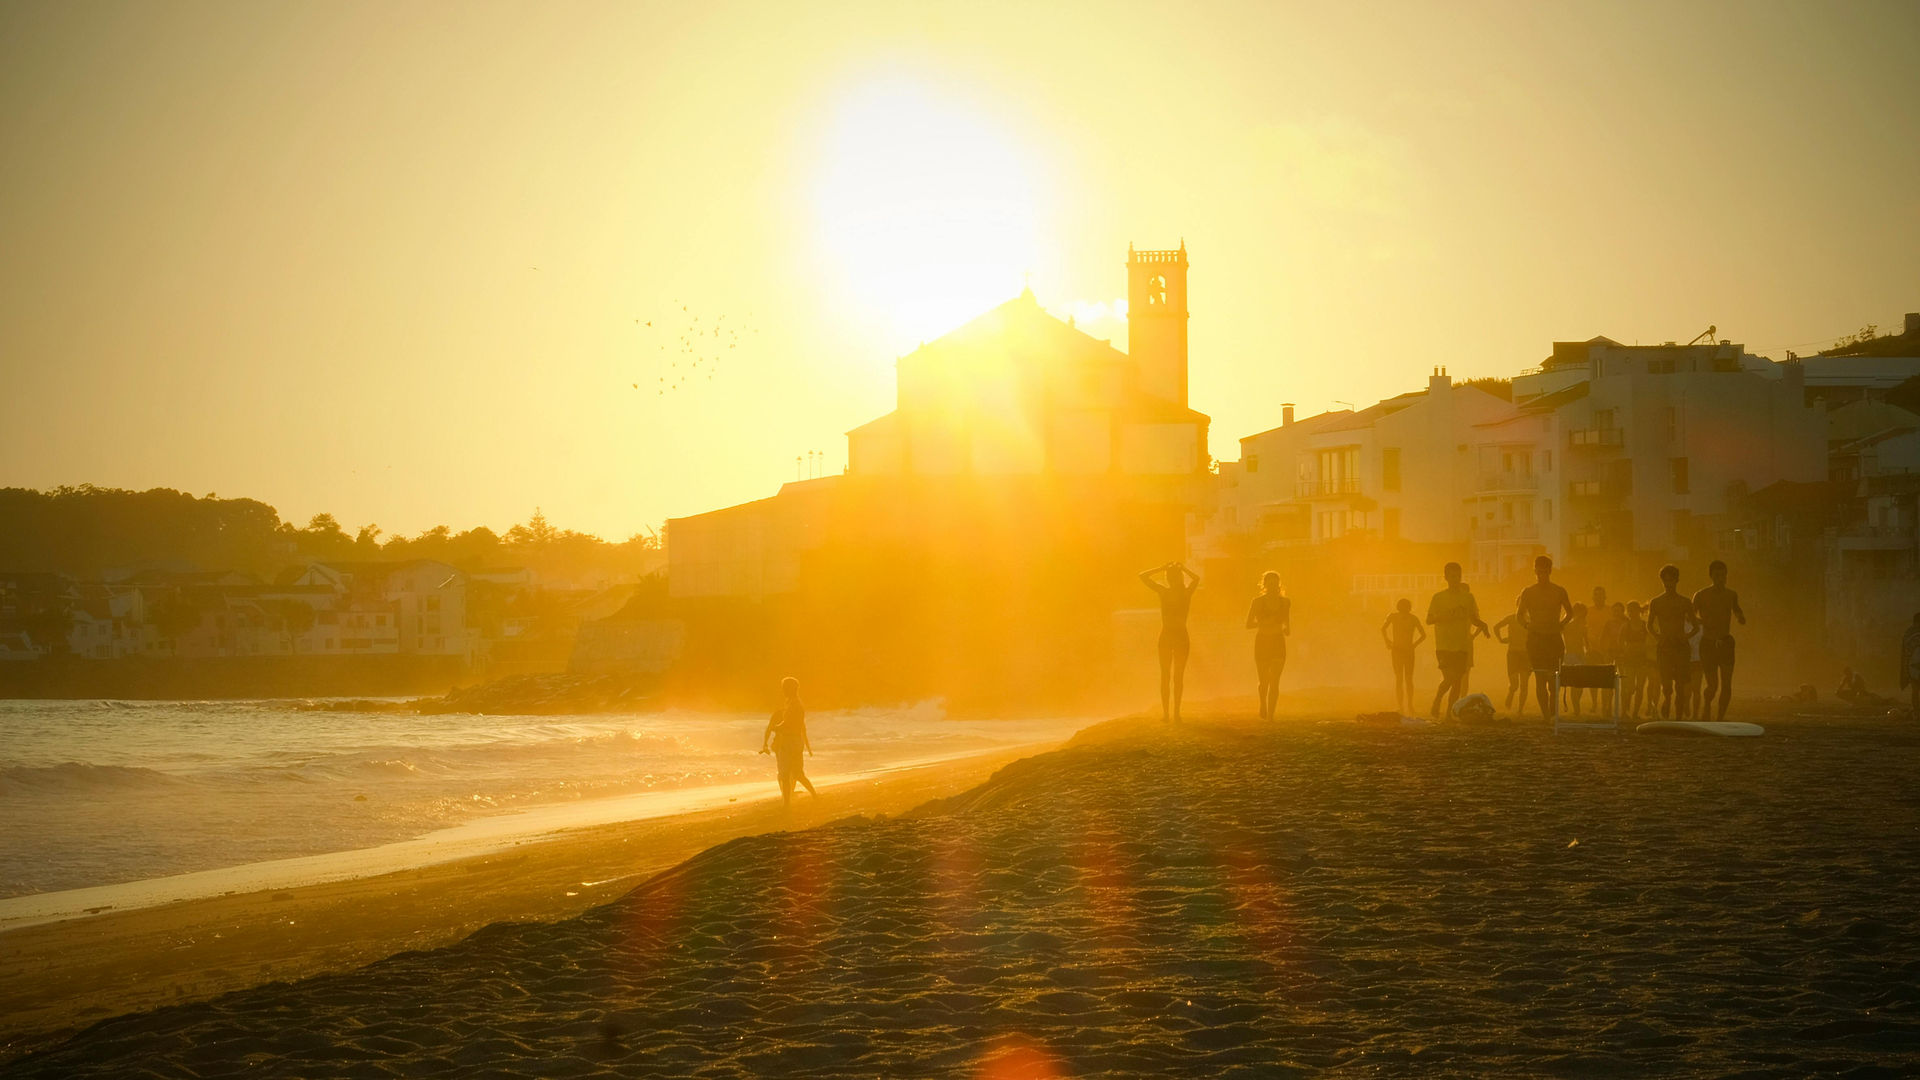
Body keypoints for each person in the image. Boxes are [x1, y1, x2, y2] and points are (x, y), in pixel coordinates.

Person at [1426, 562, 1488, 719]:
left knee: (1457, 682)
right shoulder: (1438, 597)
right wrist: (1446, 616)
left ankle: (1449, 713)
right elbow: (1429, 620)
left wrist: (1483, 625)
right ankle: (1437, 700)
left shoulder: (1468, 597)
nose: (1456, 579)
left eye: (1458, 576)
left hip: (1462, 645)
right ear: (1446, 577)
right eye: (1453, 576)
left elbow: (1473, 618)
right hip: (1444, 645)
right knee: (1449, 678)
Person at [1142, 561, 1200, 722]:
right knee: (1170, 676)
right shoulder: (1177, 593)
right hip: (1172, 636)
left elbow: (1143, 577)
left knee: (1172, 676)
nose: (1171, 580)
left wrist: (1166, 568)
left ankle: (1172, 713)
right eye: (1170, 577)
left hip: (1174, 635)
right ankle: (1170, 713)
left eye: (1172, 577)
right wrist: (1175, 569)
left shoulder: (1174, 592)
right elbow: (1142, 576)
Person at [1517, 554, 1574, 719]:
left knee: (1554, 679)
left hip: (1554, 639)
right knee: (1540, 677)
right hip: (1536, 640)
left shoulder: (1559, 591)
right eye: (1539, 571)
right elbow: (1519, 615)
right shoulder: (1528, 592)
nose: (1542, 575)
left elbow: (1570, 612)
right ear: (1535, 571)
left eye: (1545, 571)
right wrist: (1527, 625)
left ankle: (1552, 709)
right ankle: (1546, 716)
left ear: (1550, 571)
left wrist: (1561, 624)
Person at [1690, 560, 1746, 722]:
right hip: (1708, 643)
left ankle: (1720, 718)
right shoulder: (1701, 595)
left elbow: (1737, 609)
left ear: (1726, 576)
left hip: (1726, 642)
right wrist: (1702, 622)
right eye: (1717, 576)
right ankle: (1707, 705)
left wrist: (1740, 617)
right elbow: (1690, 616)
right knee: (1712, 685)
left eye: (1723, 575)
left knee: (1726, 684)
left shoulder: (1731, 595)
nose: (1720, 579)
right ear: (1711, 576)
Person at [1647, 564, 1698, 720]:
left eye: (1671, 580)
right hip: (1664, 647)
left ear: (1677, 581)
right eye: (1665, 581)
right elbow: (1649, 625)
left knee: (1681, 684)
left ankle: (1678, 716)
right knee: (1666, 683)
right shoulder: (1656, 602)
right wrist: (1658, 637)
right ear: (1662, 581)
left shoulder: (1685, 602)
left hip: (1681, 646)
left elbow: (1696, 627)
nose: (1668, 584)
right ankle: (1667, 700)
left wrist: (1686, 636)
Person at [759, 676, 815, 805]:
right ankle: (814, 796)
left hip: (789, 742)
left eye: (785, 688)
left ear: (791, 688)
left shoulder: (794, 705)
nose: (783, 690)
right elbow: (801, 729)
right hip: (796, 742)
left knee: (784, 774)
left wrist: (775, 728)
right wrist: (808, 748)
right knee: (798, 773)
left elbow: (787, 723)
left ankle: (786, 803)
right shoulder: (794, 703)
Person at [1246, 571, 1291, 720]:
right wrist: (1263, 623)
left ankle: (1271, 715)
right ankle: (1262, 704)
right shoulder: (1257, 602)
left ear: (1279, 584)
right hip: (1262, 642)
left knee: (1275, 681)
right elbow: (1248, 624)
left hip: (1278, 642)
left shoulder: (1285, 602)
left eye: (1275, 583)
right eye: (1269, 583)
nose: (1272, 586)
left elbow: (1287, 625)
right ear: (1264, 585)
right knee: (1264, 681)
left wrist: (1286, 629)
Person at [1381, 598, 1426, 715]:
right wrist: (1387, 642)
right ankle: (1402, 705)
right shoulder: (1394, 616)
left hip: (1405, 651)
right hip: (1398, 650)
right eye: (1403, 606)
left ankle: (1408, 705)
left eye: (1406, 606)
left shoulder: (1411, 618)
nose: (1404, 609)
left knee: (1407, 679)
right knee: (1401, 679)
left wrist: (1413, 645)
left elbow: (1423, 635)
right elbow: (1383, 629)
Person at [1493, 611, 1531, 717]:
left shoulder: (1531, 620)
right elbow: (1496, 627)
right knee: (1514, 684)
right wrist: (1500, 639)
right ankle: (1511, 692)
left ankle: (1520, 710)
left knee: (1524, 684)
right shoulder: (1511, 618)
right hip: (1513, 653)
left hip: (1526, 654)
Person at [1617, 600, 1651, 719]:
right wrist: (1625, 651)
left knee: (1640, 687)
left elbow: (1650, 640)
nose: (1632, 613)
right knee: (1630, 687)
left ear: (1638, 611)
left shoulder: (1645, 626)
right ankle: (1625, 710)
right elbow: (1620, 641)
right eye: (1630, 611)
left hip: (1642, 659)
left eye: (1634, 611)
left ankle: (1635, 713)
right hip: (1629, 660)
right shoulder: (1625, 626)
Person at [1562, 603, 1589, 716]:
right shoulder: (1567, 625)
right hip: (1571, 655)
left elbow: (1586, 643)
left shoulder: (1583, 626)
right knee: (1574, 683)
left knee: (1580, 684)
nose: (1582, 616)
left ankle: (1576, 705)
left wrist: (1587, 653)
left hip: (1581, 655)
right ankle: (1576, 707)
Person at [1901, 613, 1920, 716]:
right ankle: (1916, 711)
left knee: (1915, 690)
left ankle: (1916, 712)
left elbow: (1905, 652)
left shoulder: (1908, 632)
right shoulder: (1910, 632)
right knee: (1915, 690)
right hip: (1913, 665)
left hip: (1912, 667)